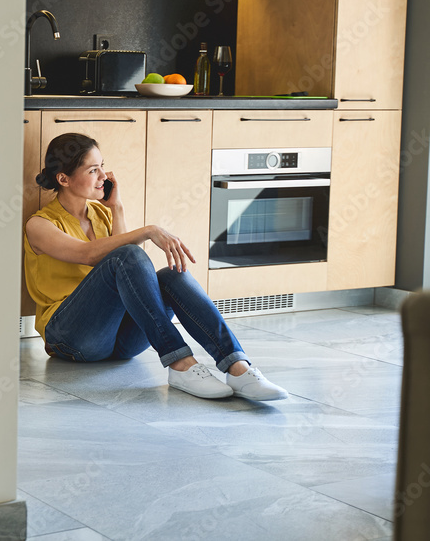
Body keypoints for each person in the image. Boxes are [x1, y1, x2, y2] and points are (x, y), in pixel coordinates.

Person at [23, 132, 287, 401]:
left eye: (103, 165)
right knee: (125, 255)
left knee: (172, 278)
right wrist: (149, 230)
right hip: (70, 338)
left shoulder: (101, 213)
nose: (104, 175)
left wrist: (117, 208)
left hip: (119, 342)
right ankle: (180, 363)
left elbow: (129, 265)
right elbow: (90, 254)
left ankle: (238, 367)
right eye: (93, 170)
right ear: (63, 179)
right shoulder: (40, 225)